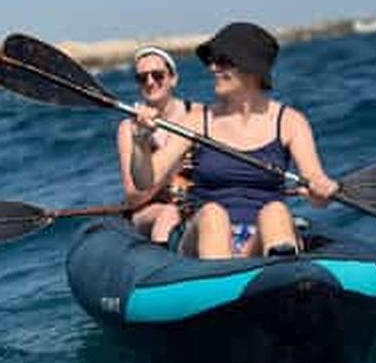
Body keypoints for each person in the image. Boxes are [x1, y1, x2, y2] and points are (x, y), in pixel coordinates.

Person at [133, 22, 339, 259]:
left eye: (222, 61)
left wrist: (321, 189)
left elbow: (316, 184)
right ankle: (219, 284)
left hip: (258, 241)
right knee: (213, 214)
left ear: (251, 67)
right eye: (212, 61)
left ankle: (278, 276)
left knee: (276, 211)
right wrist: (140, 139)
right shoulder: (197, 121)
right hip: (203, 236)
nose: (212, 68)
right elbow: (145, 181)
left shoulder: (290, 122)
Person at [117, 46, 200, 244]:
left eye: (157, 75)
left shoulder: (198, 114)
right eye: (142, 78)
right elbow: (133, 197)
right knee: (169, 213)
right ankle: (166, 264)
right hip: (151, 209)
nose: (150, 82)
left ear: (173, 79)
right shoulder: (129, 128)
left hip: (196, 203)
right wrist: (170, 166)